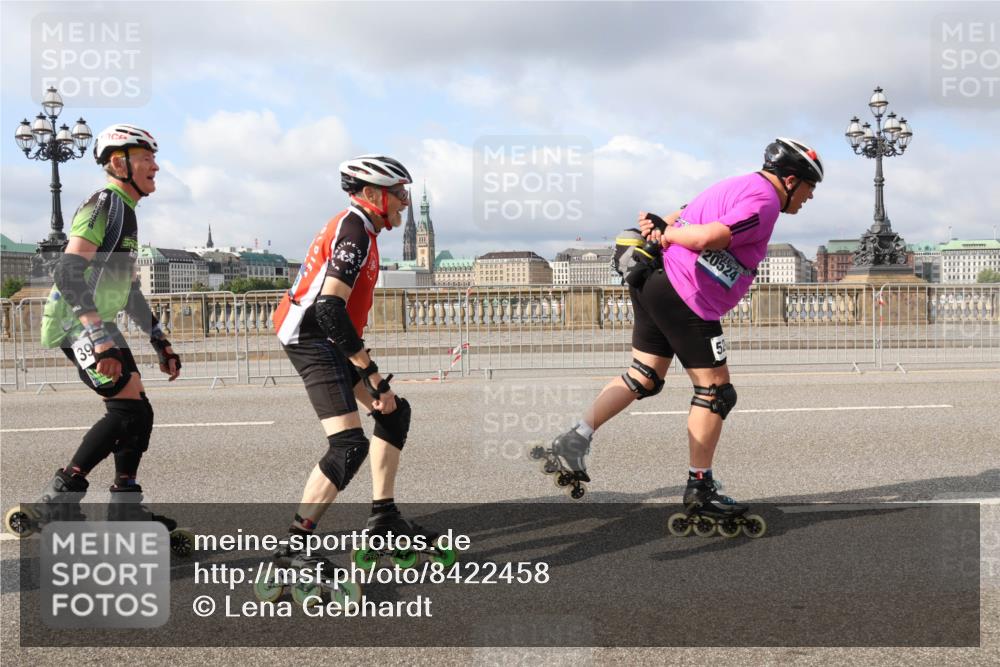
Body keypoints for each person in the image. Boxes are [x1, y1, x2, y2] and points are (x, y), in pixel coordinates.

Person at [537, 138, 823, 531]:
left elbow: (672, 218)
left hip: (655, 281)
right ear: (791, 180)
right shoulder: (765, 201)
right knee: (716, 391)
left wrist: (661, 231)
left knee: (644, 375)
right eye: (810, 189)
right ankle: (700, 488)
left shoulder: (732, 185)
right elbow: (709, 237)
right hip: (687, 293)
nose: (809, 198)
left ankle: (575, 439)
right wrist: (670, 236)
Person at [270, 155, 452, 580]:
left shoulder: (363, 230)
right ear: (372, 195)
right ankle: (293, 547)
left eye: (406, 193)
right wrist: (369, 372)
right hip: (311, 338)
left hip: (327, 336)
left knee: (393, 410)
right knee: (349, 446)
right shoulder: (353, 232)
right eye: (398, 194)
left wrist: (372, 378)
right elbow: (330, 309)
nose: (404, 202)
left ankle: (383, 519)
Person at [4, 124, 183, 540]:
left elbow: (129, 289)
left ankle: (124, 504)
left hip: (98, 325)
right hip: (78, 324)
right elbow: (67, 269)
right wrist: (98, 334)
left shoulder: (127, 212)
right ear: (120, 164)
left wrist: (161, 340)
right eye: (146, 158)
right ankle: (59, 499)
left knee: (140, 413)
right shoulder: (105, 205)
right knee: (127, 411)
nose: (155, 166)